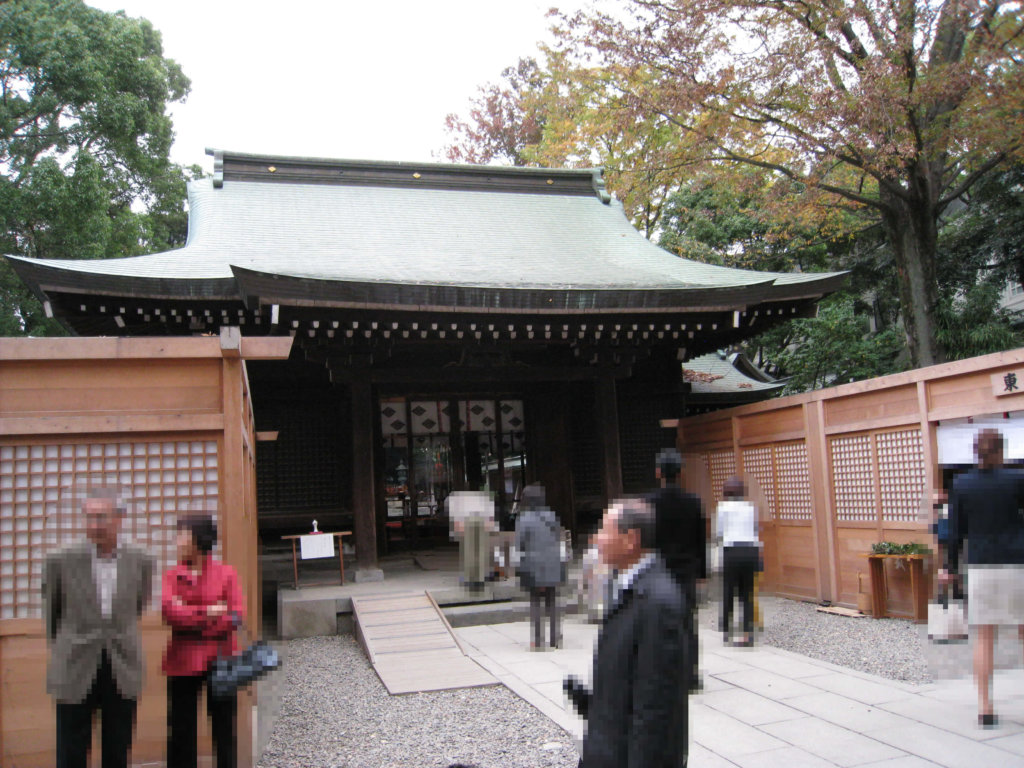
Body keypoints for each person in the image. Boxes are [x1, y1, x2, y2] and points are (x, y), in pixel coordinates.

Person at [564, 497, 690, 768]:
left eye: (604, 530)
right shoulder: (628, 586)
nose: (596, 539)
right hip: (607, 745)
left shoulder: (658, 602)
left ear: (630, 540)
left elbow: (656, 708)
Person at [42, 486, 155, 768]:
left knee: (118, 748)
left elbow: (137, 607)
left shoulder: (142, 560)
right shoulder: (60, 560)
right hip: (74, 663)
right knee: (71, 752)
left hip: (122, 663)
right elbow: (51, 616)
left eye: (101, 517)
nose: (94, 525)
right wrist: (67, 647)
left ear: (120, 517)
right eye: (89, 517)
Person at [939, 428, 1024, 728]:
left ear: (976, 452)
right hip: (1018, 564)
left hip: (981, 566)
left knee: (985, 637)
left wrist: (949, 566)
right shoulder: (1018, 479)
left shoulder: (961, 484)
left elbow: (954, 531)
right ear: (1002, 450)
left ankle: (985, 707)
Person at [162, 513, 245, 768]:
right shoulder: (172, 575)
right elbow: (169, 613)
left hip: (222, 656)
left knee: (224, 727)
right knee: (181, 729)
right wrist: (208, 612)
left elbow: (235, 615)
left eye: (182, 534)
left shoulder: (227, 573)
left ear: (198, 539)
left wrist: (191, 618)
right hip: (183, 659)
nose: (177, 541)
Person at [649, 447, 706, 689]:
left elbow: (645, 541)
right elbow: (700, 540)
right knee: (687, 623)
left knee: (658, 624)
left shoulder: (649, 503)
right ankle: (691, 674)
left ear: (658, 472)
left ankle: (664, 673)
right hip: (685, 571)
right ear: (681, 472)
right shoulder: (693, 503)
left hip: (658, 572)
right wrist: (702, 573)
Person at [514, 483, 564, 650]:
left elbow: (520, 543)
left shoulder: (524, 518)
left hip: (533, 564)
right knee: (552, 601)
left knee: (535, 601)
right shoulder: (551, 516)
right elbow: (557, 537)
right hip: (553, 562)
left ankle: (537, 640)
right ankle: (556, 638)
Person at [716, 477, 761, 647]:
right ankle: (748, 634)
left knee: (728, 590)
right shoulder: (750, 507)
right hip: (750, 550)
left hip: (732, 550)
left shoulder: (723, 508)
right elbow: (754, 529)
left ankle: (727, 631)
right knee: (746, 593)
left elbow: (720, 532)